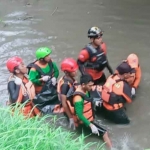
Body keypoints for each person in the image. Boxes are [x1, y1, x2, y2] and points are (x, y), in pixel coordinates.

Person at [71, 74, 112, 148]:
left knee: (96, 137)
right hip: (84, 124)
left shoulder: (85, 90)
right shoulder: (78, 98)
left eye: (92, 85)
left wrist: (94, 102)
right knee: (104, 133)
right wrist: (91, 125)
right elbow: (79, 115)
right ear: (83, 85)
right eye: (89, 85)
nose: (91, 87)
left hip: (88, 120)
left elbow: (87, 100)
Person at [57, 58, 79, 130]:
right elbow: (64, 103)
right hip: (69, 109)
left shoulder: (69, 79)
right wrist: (71, 118)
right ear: (67, 72)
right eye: (73, 71)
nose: (76, 71)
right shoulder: (65, 85)